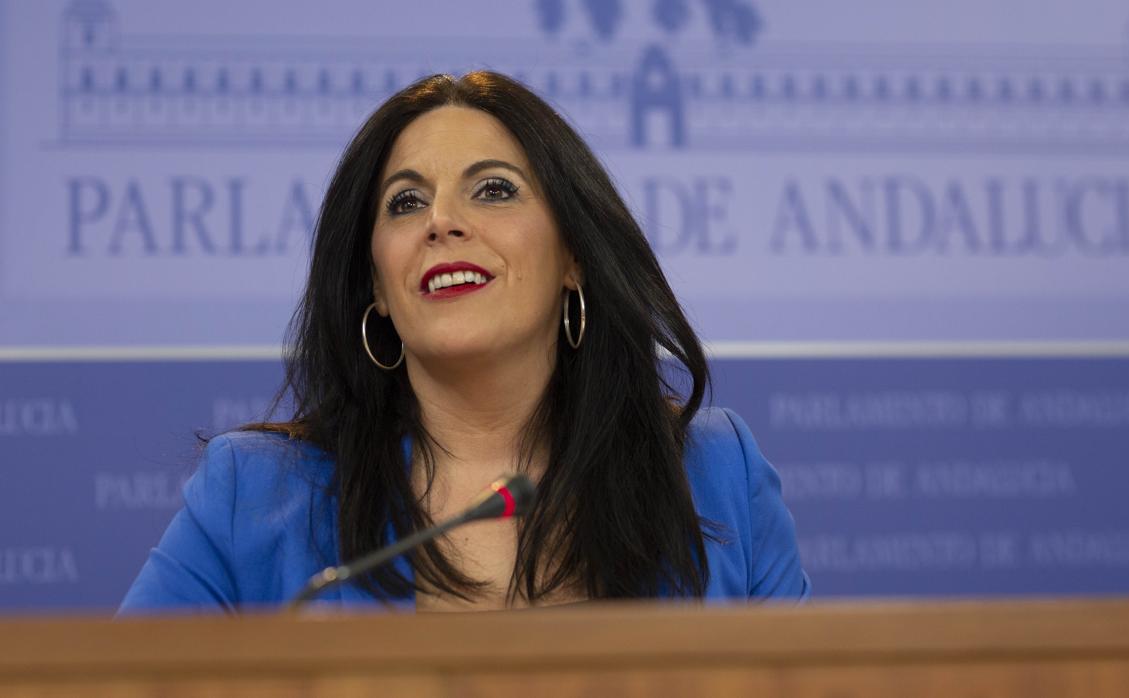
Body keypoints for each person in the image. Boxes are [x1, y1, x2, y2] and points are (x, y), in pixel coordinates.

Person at [119, 71, 809, 613]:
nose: (441, 220)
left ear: (573, 257)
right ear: (377, 287)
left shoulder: (717, 475)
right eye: (406, 202)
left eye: (494, 190)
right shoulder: (253, 496)